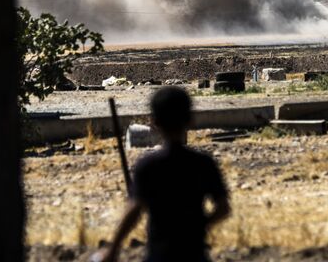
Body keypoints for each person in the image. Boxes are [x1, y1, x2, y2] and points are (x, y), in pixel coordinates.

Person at [99, 87, 231, 262]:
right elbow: (223, 208)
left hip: (159, 255)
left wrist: (113, 248)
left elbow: (135, 210)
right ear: (190, 119)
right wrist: (199, 225)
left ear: (154, 123)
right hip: (194, 254)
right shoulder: (203, 163)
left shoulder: (148, 165)